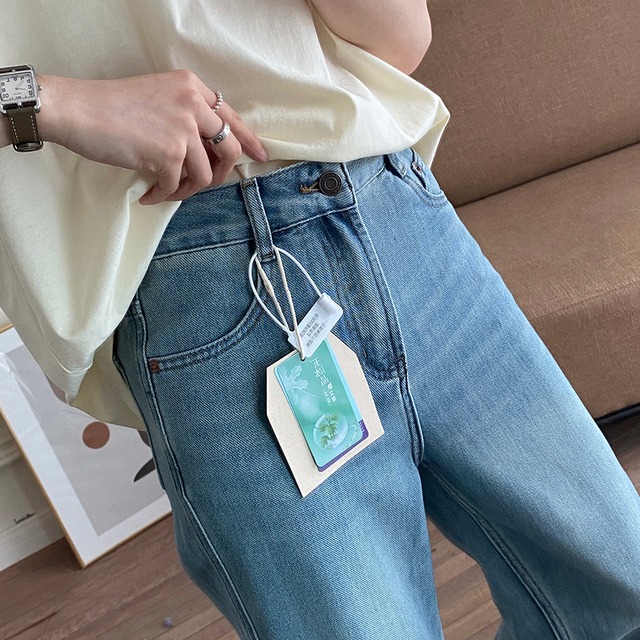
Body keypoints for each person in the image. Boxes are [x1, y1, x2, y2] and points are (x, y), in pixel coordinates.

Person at [1, 1, 639, 638]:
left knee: (620, 593)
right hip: (196, 269)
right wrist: (46, 101)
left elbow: (400, 40)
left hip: (394, 205)